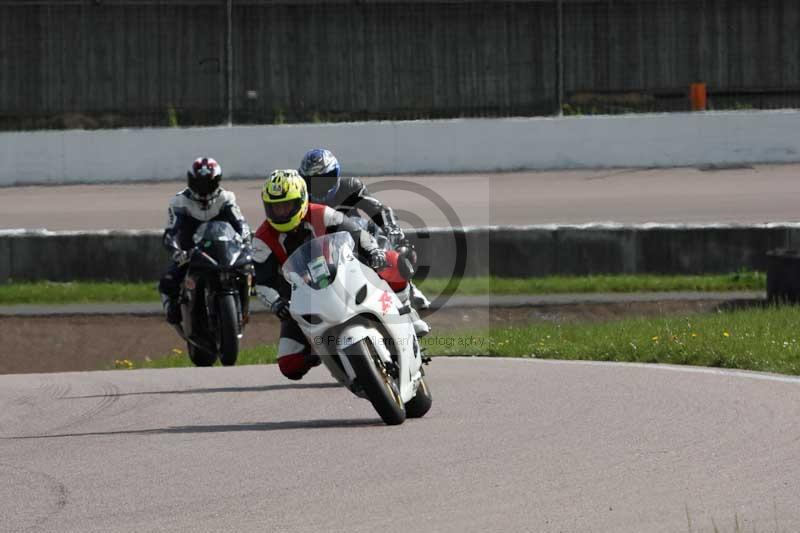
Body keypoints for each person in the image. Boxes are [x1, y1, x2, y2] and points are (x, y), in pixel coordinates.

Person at [252, 169, 429, 381]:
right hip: (300, 299)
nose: (280, 212)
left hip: (343, 276)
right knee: (289, 365)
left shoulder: (321, 213)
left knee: (393, 262)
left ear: (301, 200)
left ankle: (405, 314)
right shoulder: (262, 239)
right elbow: (262, 283)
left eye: (286, 205)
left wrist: (373, 252)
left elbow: (358, 232)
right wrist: (277, 304)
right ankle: (322, 351)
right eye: (275, 207)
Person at [298, 148, 431, 309]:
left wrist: (394, 231)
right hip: (322, 251)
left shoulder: (350, 186)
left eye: (323, 180)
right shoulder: (299, 199)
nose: (317, 186)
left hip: (359, 243)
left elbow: (379, 210)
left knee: (394, 243)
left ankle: (409, 289)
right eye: (311, 181)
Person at [158, 157, 251, 324]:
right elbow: (170, 233)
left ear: (217, 182)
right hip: (192, 253)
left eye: (208, 184)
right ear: (190, 182)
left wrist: (246, 242)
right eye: (199, 184)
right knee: (167, 281)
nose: (204, 190)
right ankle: (172, 310)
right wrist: (177, 252)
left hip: (224, 250)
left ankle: (244, 308)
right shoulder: (179, 202)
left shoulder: (227, 198)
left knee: (251, 268)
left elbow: (241, 224)